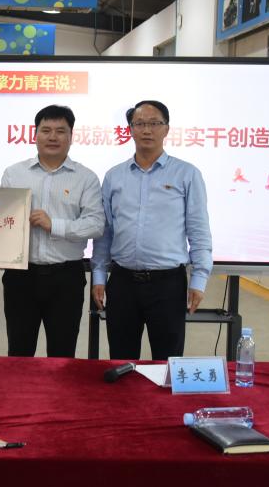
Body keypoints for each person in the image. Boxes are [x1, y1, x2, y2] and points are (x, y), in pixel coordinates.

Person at [91, 100, 212, 361]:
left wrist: (199, 279)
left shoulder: (187, 174)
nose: (147, 130)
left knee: (167, 362)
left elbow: (199, 230)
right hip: (122, 282)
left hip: (167, 284)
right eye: (140, 124)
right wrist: (99, 276)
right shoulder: (114, 176)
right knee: (122, 360)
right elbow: (105, 231)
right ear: (130, 129)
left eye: (154, 123)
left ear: (166, 129)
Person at [0, 105, 104, 357]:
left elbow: (95, 224)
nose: (53, 137)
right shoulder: (14, 174)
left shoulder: (86, 178)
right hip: (21, 277)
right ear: (35, 134)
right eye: (46, 130)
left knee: (62, 354)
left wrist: (54, 225)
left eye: (60, 131)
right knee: (19, 351)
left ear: (71, 136)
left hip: (66, 278)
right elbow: (1, 223)